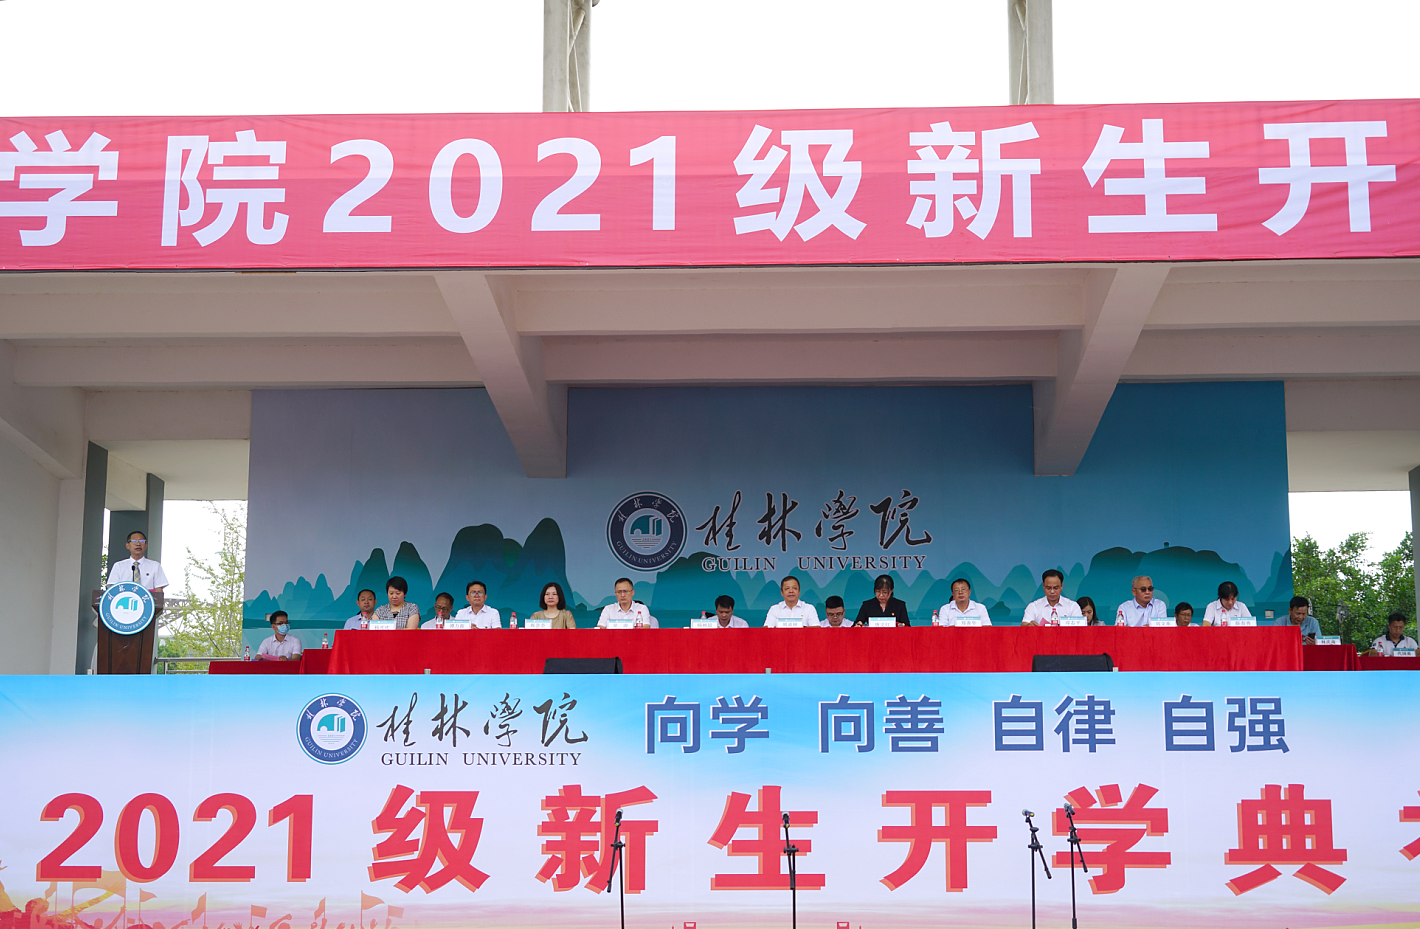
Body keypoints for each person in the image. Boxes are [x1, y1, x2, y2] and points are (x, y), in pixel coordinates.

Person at [105, 529, 169, 591]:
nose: (138, 544)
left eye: (142, 541)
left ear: (146, 545)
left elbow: (159, 590)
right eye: (134, 541)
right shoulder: (119, 566)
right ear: (127, 545)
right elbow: (112, 589)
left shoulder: (155, 566)